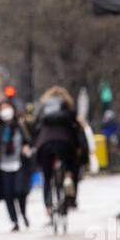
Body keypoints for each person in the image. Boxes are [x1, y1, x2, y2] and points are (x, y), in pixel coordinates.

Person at [33, 85, 88, 216]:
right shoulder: (67, 107)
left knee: (47, 177)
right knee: (69, 161)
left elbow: (35, 127)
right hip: (65, 143)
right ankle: (68, 176)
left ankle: (48, 206)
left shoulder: (44, 108)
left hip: (45, 144)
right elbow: (76, 129)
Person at [0, 99, 33, 231]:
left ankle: (23, 214)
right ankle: (14, 221)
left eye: (7, 107)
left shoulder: (21, 125)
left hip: (19, 164)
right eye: (2, 108)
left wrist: (26, 147)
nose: (5, 111)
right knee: (8, 194)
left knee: (20, 192)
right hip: (4, 166)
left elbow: (29, 140)